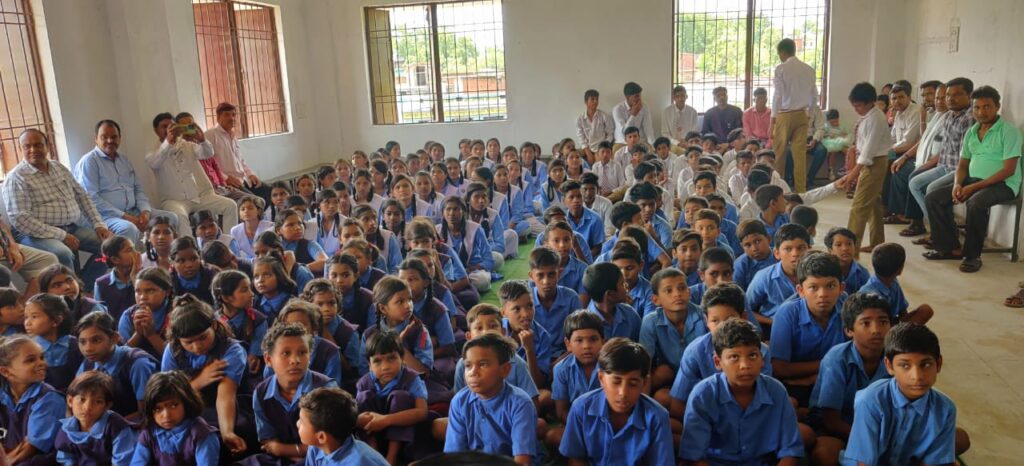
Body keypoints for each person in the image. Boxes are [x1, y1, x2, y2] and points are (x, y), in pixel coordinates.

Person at [679, 319, 805, 465]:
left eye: (752, 356)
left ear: (762, 359)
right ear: (718, 362)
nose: (745, 365)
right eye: (734, 357)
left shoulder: (776, 391)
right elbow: (694, 457)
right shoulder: (703, 395)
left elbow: (789, 450)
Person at [925, 85, 1021, 273]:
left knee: (976, 203)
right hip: (974, 180)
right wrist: (957, 184)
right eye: (977, 107)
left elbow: (1009, 170)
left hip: (1004, 184)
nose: (981, 112)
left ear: (997, 106)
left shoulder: (1009, 131)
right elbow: (962, 165)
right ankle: (949, 248)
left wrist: (974, 187)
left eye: (987, 107)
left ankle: (972, 256)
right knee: (933, 198)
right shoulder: (972, 131)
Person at [843, 323, 968, 465]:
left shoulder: (945, 409)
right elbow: (863, 463)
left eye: (926, 364)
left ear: (938, 364)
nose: (917, 376)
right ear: (889, 366)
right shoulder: (871, 400)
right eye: (905, 365)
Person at [2, 129, 112, 278]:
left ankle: (85, 284)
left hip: (70, 227)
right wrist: (62, 235)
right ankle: (71, 290)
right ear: (20, 149)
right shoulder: (16, 178)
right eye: (27, 146)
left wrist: (98, 224)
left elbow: (82, 196)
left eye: (38, 145)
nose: (33, 150)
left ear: (47, 146)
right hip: (33, 234)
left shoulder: (58, 167)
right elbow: (21, 220)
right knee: (63, 253)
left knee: (110, 246)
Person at [559, 338, 674, 465]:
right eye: (616, 382)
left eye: (633, 383)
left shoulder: (657, 417)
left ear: (644, 383)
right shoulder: (581, 408)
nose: (623, 393)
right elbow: (576, 458)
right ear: (601, 378)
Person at [807, 292, 892, 464]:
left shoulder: (896, 359)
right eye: (866, 323)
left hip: (880, 428)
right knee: (825, 453)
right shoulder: (837, 359)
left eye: (883, 322)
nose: (876, 330)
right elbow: (830, 420)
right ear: (849, 330)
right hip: (839, 428)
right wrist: (868, 439)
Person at [247, 323, 338, 466]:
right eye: (286, 353)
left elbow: (332, 444)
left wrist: (287, 450)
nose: (295, 360)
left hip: (320, 458)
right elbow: (269, 442)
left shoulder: (325, 389)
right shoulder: (261, 393)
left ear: (310, 356)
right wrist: (286, 452)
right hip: (278, 459)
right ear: (268, 360)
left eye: (302, 352)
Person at [75, 120, 177, 246]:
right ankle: (130, 259)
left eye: (114, 137)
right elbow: (92, 199)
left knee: (171, 218)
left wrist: (145, 211)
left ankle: (161, 256)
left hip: (133, 211)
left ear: (120, 139)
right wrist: (125, 217)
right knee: (128, 228)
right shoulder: (89, 162)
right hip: (104, 216)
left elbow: (138, 189)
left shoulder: (123, 160)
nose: (110, 140)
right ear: (96, 139)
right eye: (104, 137)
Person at [444, 333, 538, 465]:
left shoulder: (520, 403)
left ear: (505, 370)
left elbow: (522, 462)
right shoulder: (459, 402)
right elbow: (453, 456)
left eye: (483, 364)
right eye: (468, 365)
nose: (473, 372)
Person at [770, 252, 847, 405]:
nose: (823, 294)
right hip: (796, 384)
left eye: (830, 286)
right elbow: (779, 368)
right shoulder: (787, 314)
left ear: (841, 288)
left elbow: (858, 355)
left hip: (838, 378)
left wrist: (821, 375)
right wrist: (828, 365)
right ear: (800, 290)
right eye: (813, 287)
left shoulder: (848, 308)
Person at [145, 112, 238, 237]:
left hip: (199, 197)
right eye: (164, 127)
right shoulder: (153, 152)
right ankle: (189, 247)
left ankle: (228, 242)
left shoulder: (187, 145)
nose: (168, 130)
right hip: (174, 201)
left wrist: (202, 140)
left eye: (171, 126)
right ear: (156, 130)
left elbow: (207, 153)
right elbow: (155, 163)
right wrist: (168, 143)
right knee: (180, 216)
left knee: (230, 205)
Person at [910, 78, 975, 248]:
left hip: (959, 170)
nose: (950, 99)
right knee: (915, 183)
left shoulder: (969, 119)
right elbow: (944, 148)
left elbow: (966, 157)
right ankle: (938, 230)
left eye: (957, 94)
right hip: (944, 166)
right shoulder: (949, 116)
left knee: (932, 190)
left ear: (969, 95)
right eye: (948, 95)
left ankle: (941, 234)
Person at [840, 82, 894, 252]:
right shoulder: (867, 116)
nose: (856, 109)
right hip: (868, 162)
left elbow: (869, 151)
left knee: (859, 206)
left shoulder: (876, 118)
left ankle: (850, 249)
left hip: (874, 163)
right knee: (873, 204)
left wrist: (853, 173)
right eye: (854, 105)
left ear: (870, 102)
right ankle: (877, 243)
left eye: (858, 106)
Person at [54, 371, 136, 466]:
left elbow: (123, 462)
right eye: (82, 399)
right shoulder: (66, 429)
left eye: (98, 401)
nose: (88, 407)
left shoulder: (117, 427)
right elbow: (66, 459)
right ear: (70, 401)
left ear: (107, 406)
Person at [770, 38, 819, 193]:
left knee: (779, 155)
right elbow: (814, 96)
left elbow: (778, 95)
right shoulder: (809, 70)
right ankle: (801, 192)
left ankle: (778, 190)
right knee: (800, 157)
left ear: (782, 52)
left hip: (784, 115)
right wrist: (809, 115)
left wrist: (773, 120)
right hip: (802, 115)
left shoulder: (781, 69)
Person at [746, 224, 812, 326]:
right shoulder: (764, 278)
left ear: (809, 250)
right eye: (788, 249)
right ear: (777, 253)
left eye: (801, 248)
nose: (795, 254)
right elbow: (746, 311)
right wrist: (775, 322)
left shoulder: (817, 276)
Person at [205, 102, 272, 202]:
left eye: (233, 115)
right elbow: (208, 165)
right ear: (218, 117)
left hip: (244, 179)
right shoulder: (210, 135)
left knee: (270, 191)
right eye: (227, 115)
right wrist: (225, 178)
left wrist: (250, 174)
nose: (231, 118)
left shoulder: (232, 135)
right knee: (256, 202)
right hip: (229, 184)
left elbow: (240, 160)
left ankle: (257, 212)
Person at [860, 243, 934, 325]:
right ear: (900, 270)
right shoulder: (869, 295)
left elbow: (902, 311)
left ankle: (903, 331)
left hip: (891, 322)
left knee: (926, 310)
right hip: (878, 326)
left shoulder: (893, 282)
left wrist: (905, 325)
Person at [881, 84, 923, 225]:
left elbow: (908, 142)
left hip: (914, 154)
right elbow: (892, 137)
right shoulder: (898, 113)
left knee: (897, 169)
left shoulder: (915, 112)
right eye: (894, 98)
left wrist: (887, 150)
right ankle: (886, 206)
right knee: (880, 163)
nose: (897, 101)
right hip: (900, 152)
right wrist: (882, 148)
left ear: (909, 97)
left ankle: (901, 214)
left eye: (901, 97)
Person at [0, 218, 58, 299]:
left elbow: (1, 223)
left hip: (5, 245)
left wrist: (13, 246)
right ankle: (13, 304)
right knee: (3, 274)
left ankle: (27, 304)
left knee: (48, 260)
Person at [575, 89, 615, 162]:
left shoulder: (604, 116)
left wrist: (602, 148)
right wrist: (588, 153)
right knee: (575, 157)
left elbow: (610, 134)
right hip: (587, 148)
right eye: (592, 99)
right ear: (586, 102)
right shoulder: (580, 119)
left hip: (601, 147)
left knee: (599, 162)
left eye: (597, 99)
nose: (595, 102)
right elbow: (581, 137)